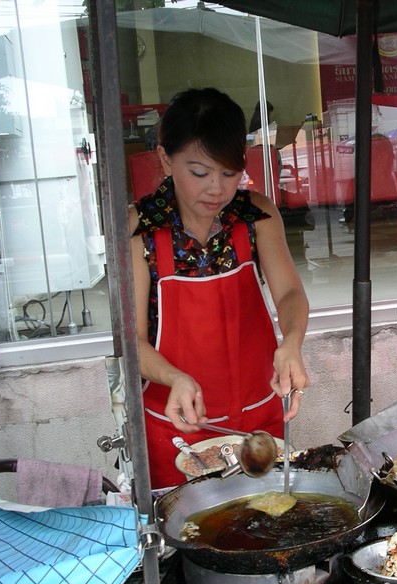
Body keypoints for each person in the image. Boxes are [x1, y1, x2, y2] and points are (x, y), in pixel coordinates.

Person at [129, 88, 310, 489]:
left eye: (229, 173)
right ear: (165, 159)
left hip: (258, 424)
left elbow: (289, 294)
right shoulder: (141, 230)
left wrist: (292, 343)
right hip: (176, 428)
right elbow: (131, 341)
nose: (216, 188)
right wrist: (174, 377)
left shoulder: (255, 215)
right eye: (200, 173)